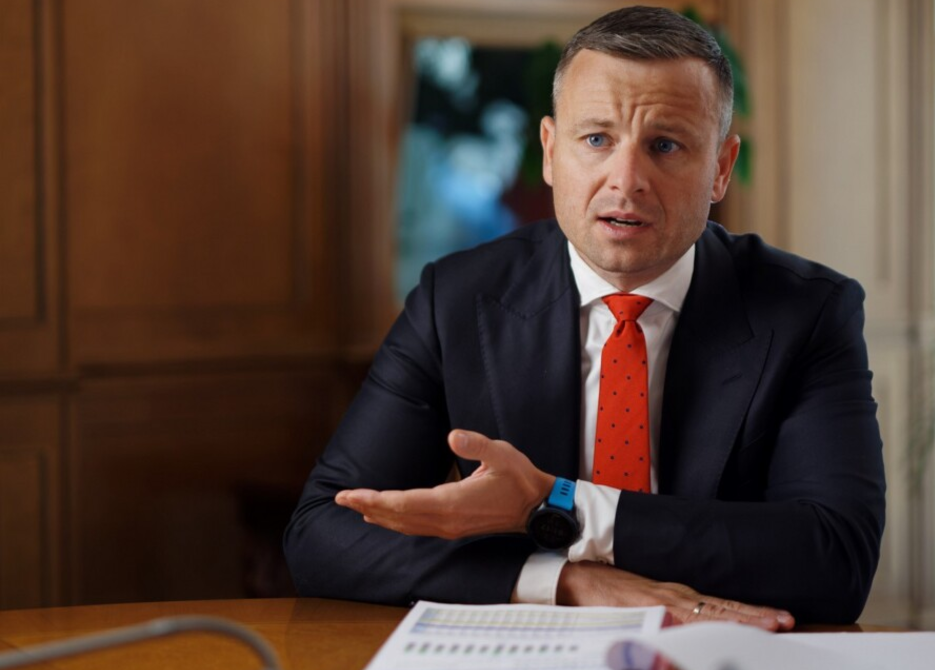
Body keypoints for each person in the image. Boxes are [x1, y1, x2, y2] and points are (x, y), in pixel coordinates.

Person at [284, 5, 885, 630]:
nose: (626, 180)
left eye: (665, 145)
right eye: (596, 140)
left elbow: (837, 559)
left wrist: (557, 505)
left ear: (721, 168)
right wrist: (562, 581)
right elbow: (321, 533)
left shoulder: (808, 312)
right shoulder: (456, 300)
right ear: (550, 152)